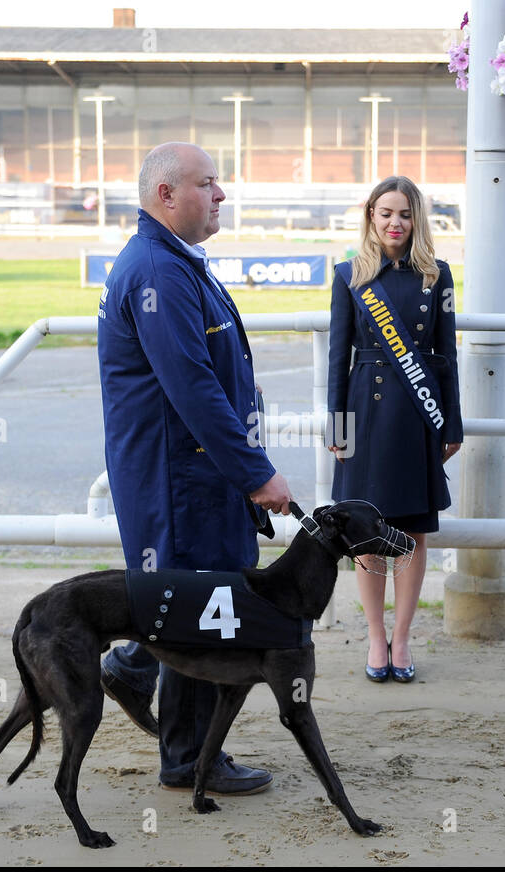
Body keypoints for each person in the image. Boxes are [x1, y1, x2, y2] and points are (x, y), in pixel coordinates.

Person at [97, 142, 293, 795]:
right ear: (166, 196)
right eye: (208, 183)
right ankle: (187, 760)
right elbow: (194, 390)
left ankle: (132, 668)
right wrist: (256, 474)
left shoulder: (177, 260)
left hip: (192, 474)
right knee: (203, 607)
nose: (221, 194)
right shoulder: (158, 269)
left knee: (193, 600)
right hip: (178, 478)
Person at [327, 176, 463, 684]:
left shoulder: (437, 276)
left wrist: (453, 422)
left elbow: (447, 356)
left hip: (419, 413)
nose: (395, 223)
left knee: (411, 532)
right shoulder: (349, 275)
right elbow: (338, 359)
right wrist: (338, 426)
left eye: (404, 214)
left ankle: (402, 637)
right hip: (365, 412)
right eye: (385, 213)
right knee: (366, 535)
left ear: (416, 219)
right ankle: (375, 635)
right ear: (370, 216)